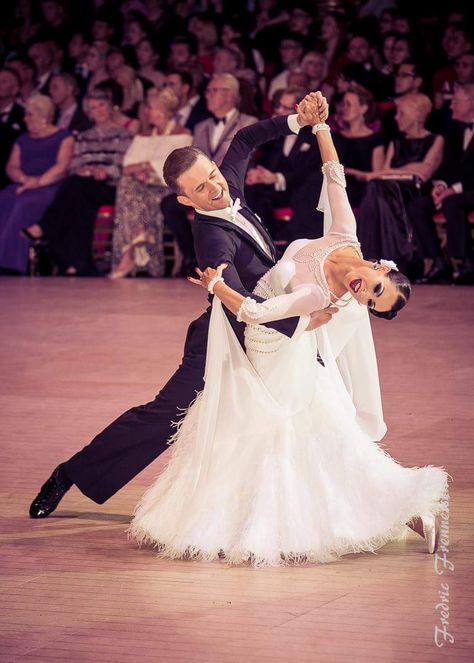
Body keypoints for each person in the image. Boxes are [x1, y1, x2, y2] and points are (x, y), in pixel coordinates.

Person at [128, 93, 449, 566]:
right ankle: (400, 513)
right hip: (268, 339)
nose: (217, 188)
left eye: (369, 299)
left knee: (302, 435)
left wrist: (226, 291)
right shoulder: (339, 233)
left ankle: (405, 510)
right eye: (375, 286)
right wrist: (317, 127)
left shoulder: (324, 295)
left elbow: (261, 309)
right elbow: (333, 176)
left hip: (285, 342)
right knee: (279, 437)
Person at [29, 96, 335, 520]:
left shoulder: (225, 181)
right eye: (201, 189)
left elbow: (245, 139)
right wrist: (300, 319)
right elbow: (238, 300)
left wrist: (296, 121)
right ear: (185, 201)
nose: (216, 189)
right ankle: (69, 474)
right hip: (226, 338)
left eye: (212, 176)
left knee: (315, 397)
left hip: (272, 328)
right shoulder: (210, 238)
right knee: (164, 418)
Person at [22, 89, 131, 276]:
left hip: (111, 186)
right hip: (85, 185)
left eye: (101, 105)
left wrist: (104, 171)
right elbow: (74, 164)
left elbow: (125, 165)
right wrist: (84, 170)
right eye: (93, 107)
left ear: (110, 107)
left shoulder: (124, 135)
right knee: (80, 202)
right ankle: (82, 265)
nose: (98, 111)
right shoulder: (83, 136)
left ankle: (45, 227)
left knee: (75, 186)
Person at [109, 87, 191, 279]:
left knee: (130, 190)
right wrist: (143, 170)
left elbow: (174, 166)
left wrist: (146, 167)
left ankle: (130, 253)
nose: (146, 111)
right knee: (129, 184)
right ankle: (139, 235)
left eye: (150, 107)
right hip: (140, 186)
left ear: (163, 110)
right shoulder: (144, 135)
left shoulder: (182, 134)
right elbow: (127, 165)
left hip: (165, 188)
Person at [355, 92, 444, 269]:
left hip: (416, 191)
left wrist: (387, 173)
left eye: (401, 113)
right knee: (376, 187)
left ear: (417, 114)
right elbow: (385, 172)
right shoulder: (396, 143)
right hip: (390, 191)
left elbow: (425, 171)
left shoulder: (435, 139)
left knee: (376, 186)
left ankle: (383, 257)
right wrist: (407, 168)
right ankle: (391, 256)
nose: (396, 117)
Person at [407, 83, 474, 285]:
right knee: (417, 205)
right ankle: (437, 261)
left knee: (452, 202)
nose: (451, 106)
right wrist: (442, 185)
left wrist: (453, 189)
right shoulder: (453, 129)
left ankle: (465, 262)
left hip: (467, 191)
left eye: (455, 102)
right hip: (457, 191)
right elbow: (447, 166)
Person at [0, 94, 73, 274]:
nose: (25, 119)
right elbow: (11, 166)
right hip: (24, 183)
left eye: (29, 115)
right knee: (4, 198)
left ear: (44, 116)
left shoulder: (64, 137)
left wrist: (38, 182)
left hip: (50, 185)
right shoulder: (23, 139)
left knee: (23, 204)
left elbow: (62, 167)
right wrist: (24, 179)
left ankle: (9, 263)